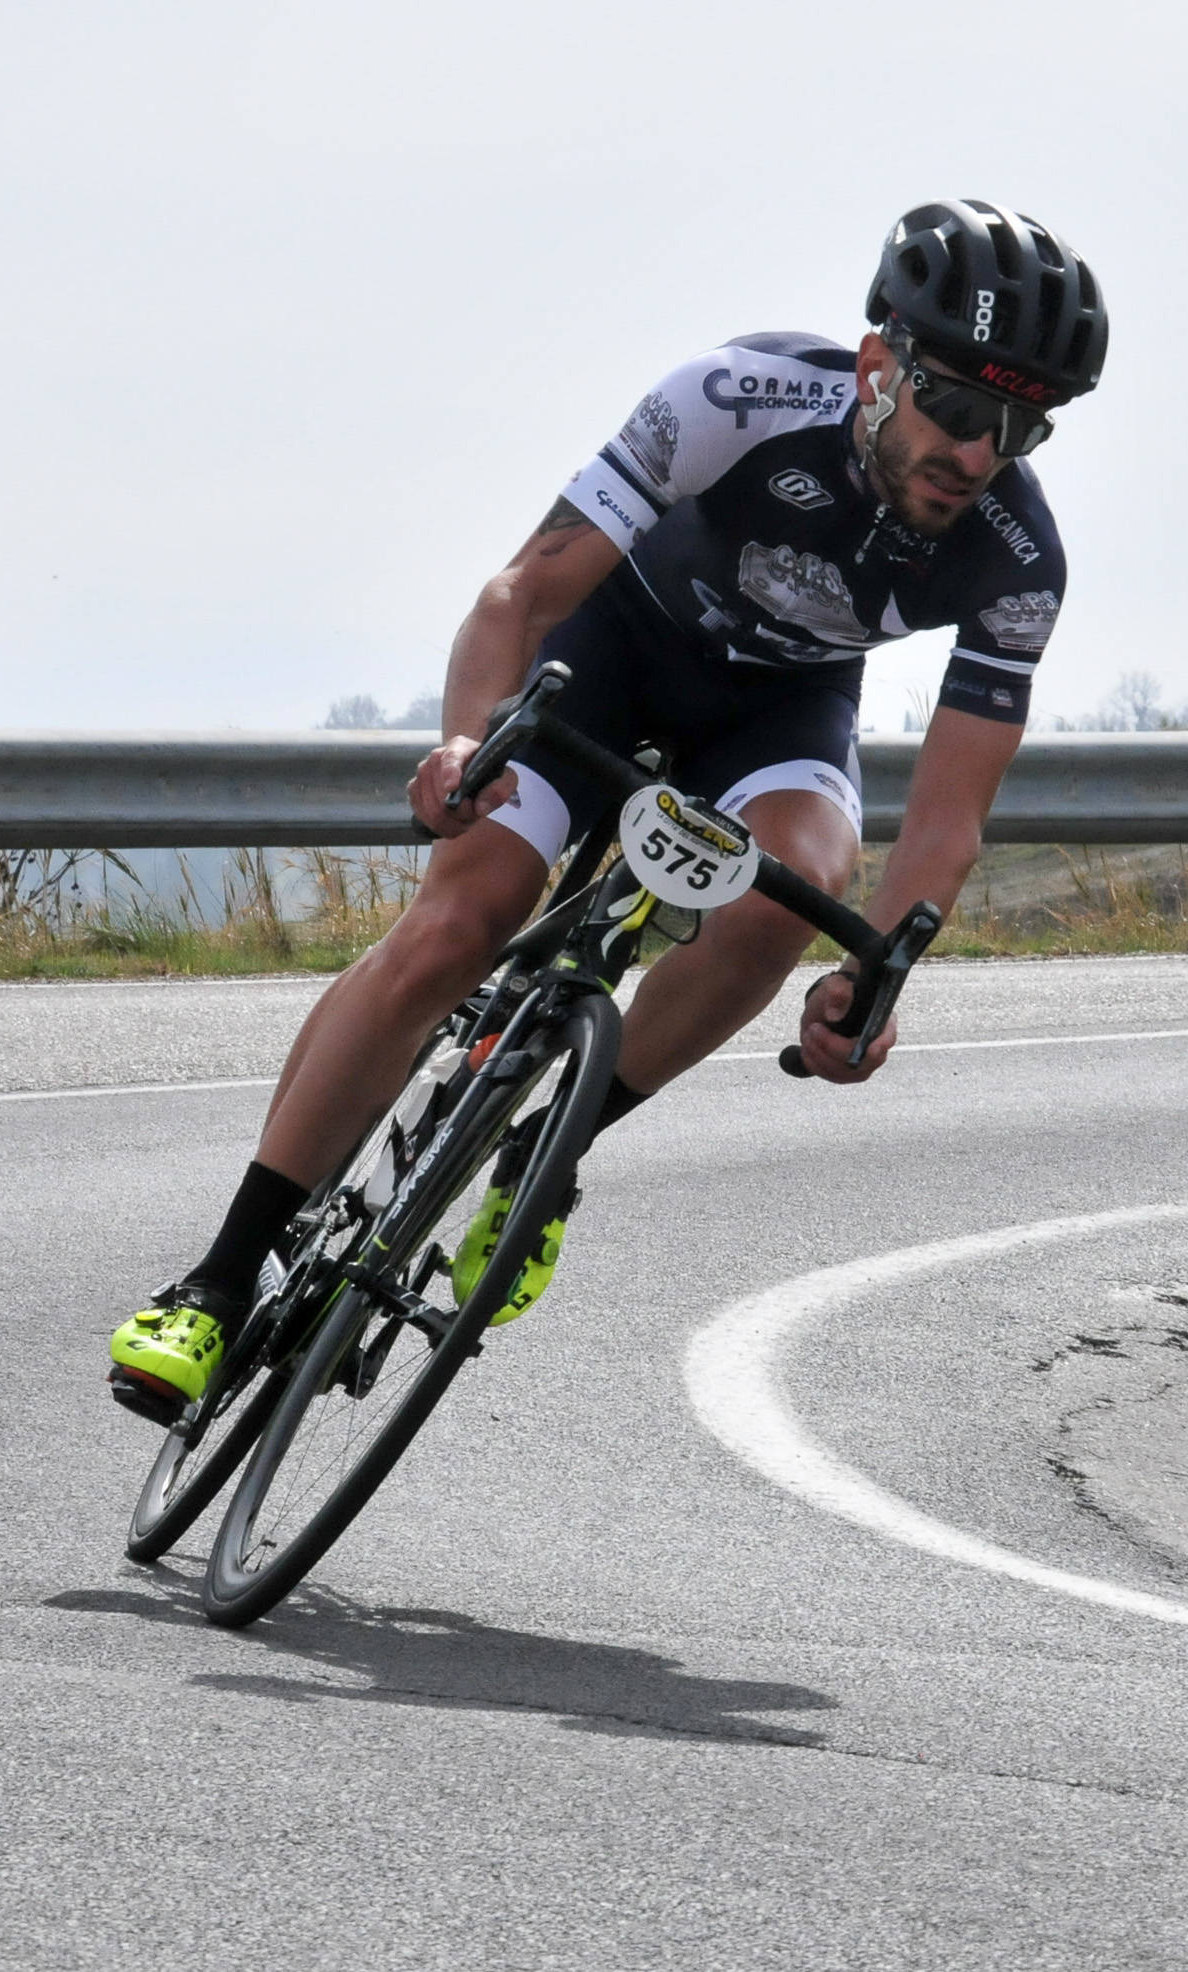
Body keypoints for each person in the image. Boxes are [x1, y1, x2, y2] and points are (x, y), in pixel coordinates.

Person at [109, 198, 1110, 1421]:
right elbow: (523, 594)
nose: (979, 452)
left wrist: (877, 978)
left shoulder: (1021, 560)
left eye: (1021, 428)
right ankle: (218, 1282)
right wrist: (466, 744)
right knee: (459, 921)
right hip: (612, 646)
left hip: (781, 711)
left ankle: (550, 1152)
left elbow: (949, 819)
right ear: (877, 368)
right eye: (956, 407)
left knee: (798, 890)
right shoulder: (735, 398)